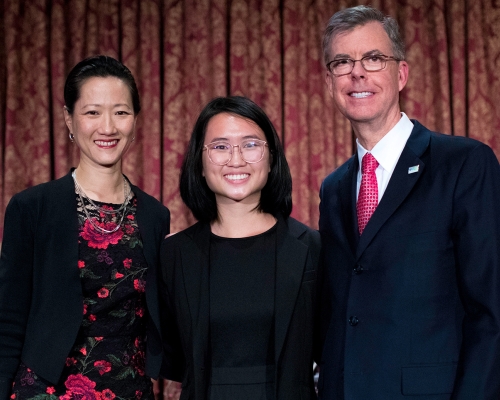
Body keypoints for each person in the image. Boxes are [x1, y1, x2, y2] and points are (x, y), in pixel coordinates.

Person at [317, 5, 500, 400]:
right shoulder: (333, 190)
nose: (357, 72)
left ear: (401, 74)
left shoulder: (464, 164)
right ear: (329, 83)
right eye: (342, 62)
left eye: (373, 58)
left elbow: (491, 313)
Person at [0, 55, 170, 399]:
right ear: (69, 119)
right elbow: (8, 320)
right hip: (48, 388)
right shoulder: (32, 208)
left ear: (135, 121)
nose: (107, 127)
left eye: (120, 112)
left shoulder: (155, 215)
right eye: (92, 112)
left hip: (130, 389)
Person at [156, 96, 321, 400]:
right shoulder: (173, 255)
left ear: (271, 159)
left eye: (250, 145)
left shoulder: (312, 247)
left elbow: (330, 346)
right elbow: (170, 357)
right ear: (200, 164)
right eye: (220, 147)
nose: (236, 159)